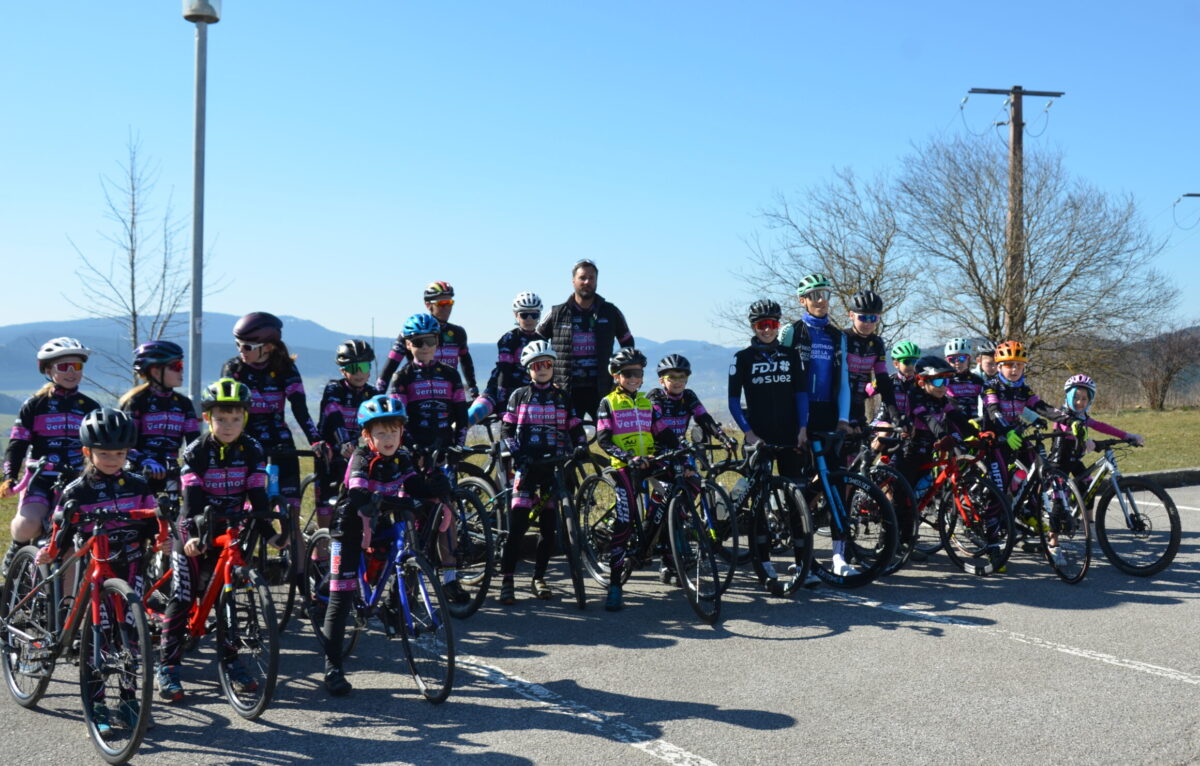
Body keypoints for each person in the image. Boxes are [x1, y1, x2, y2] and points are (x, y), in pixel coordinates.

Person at [36, 407, 158, 736]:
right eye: (104, 454)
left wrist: (162, 533)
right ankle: (98, 704)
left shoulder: (137, 483)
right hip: (96, 569)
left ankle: (130, 701)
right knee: (99, 639)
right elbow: (59, 525)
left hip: (131, 566)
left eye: (119, 453)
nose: (113, 459)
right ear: (87, 452)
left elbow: (154, 519)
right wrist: (51, 550)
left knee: (131, 638)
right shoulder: (78, 488)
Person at [320, 394, 448, 696]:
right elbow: (359, 496)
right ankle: (333, 668)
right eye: (381, 432)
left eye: (394, 431)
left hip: (381, 524)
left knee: (402, 556)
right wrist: (397, 501)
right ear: (367, 435)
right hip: (349, 527)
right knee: (340, 600)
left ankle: (393, 602)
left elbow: (416, 488)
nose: (389, 438)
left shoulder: (402, 457)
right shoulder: (362, 458)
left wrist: (437, 488)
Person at [156, 378, 267, 703]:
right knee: (185, 595)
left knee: (227, 598)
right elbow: (190, 502)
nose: (229, 425)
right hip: (194, 528)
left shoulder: (253, 449)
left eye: (235, 418)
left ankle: (232, 662)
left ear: (245, 417)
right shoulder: (196, 451)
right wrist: (191, 537)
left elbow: (258, 494)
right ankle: (169, 666)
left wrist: (273, 532)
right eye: (221, 418)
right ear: (208, 419)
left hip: (230, 531)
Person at [386, 312, 470, 603]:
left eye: (430, 341)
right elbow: (399, 420)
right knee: (413, 516)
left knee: (447, 514)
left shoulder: (450, 374)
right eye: (418, 342)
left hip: (442, 450)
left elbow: (461, 415)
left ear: (438, 343)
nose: (424, 347)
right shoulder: (403, 376)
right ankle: (409, 581)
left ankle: (450, 580)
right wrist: (412, 449)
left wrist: (458, 445)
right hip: (414, 453)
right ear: (408, 345)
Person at [727, 300, 811, 591]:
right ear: (753, 326)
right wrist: (748, 433)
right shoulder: (742, 358)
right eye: (761, 325)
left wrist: (802, 429)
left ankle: (803, 564)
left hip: (790, 436)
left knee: (796, 504)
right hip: (758, 437)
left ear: (779, 325)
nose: (767, 329)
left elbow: (801, 395)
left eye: (773, 324)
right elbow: (732, 402)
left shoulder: (791, 356)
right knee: (759, 504)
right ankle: (763, 564)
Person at [496, 340, 588, 605]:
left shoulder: (562, 396)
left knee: (549, 531)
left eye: (547, 363)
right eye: (537, 365)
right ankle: (508, 580)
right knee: (518, 526)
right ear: (529, 370)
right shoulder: (519, 396)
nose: (543, 369)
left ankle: (539, 578)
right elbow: (506, 430)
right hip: (526, 467)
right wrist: (517, 452)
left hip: (553, 467)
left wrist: (581, 445)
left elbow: (574, 425)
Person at [2, 337, 101, 574]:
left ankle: (64, 601)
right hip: (41, 477)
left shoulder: (90, 406)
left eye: (76, 366)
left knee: (70, 536)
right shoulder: (34, 405)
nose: (71, 372)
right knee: (29, 525)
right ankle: (17, 549)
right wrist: (9, 476)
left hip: (77, 478)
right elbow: (17, 444)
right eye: (63, 366)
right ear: (48, 370)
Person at [222, 311, 326, 537]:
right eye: (238, 344)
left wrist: (315, 440)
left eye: (247, 347)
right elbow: (227, 411)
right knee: (246, 514)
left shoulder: (285, 368)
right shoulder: (234, 369)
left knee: (291, 520)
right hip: (245, 440)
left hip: (279, 440)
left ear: (267, 347)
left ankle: (298, 570)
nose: (241, 351)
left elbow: (300, 409)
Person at [595, 348, 679, 612]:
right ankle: (615, 584)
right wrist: (627, 456)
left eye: (638, 373)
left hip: (650, 463)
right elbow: (604, 439)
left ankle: (664, 549)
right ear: (616, 376)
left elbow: (664, 433)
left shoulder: (646, 403)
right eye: (628, 374)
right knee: (625, 519)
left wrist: (683, 449)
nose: (634, 378)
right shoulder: (608, 402)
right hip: (623, 467)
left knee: (680, 489)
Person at [536, 259, 635, 421]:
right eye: (582, 278)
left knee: (610, 437)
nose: (587, 282)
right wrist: (548, 377)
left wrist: (619, 376)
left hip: (601, 388)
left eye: (592, 278)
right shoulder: (556, 313)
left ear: (597, 281)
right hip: (565, 388)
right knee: (568, 441)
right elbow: (536, 344)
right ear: (573, 280)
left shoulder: (611, 311)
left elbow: (628, 343)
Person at [119, 340, 200, 494]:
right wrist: (144, 460)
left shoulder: (184, 404)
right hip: (140, 473)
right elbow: (124, 445)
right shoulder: (136, 402)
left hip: (171, 474)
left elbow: (194, 443)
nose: (181, 371)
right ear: (155, 371)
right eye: (176, 367)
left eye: (181, 366)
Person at [315, 340, 380, 528]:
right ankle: (321, 550)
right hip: (331, 450)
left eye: (364, 366)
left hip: (354, 452)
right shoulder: (334, 388)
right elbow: (334, 417)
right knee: (326, 504)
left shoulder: (372, 393)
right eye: (353, 367)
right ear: (343, 370)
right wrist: (343, 443)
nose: (359, 373)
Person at [780, 273, 852, 436]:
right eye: (814, 295)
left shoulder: (838, 336)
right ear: (802, 300)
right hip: (797, 411)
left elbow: (843, 381)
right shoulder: (791, 331)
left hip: (828, 411)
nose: (821, 300)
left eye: (825, 294)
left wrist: (843, 419)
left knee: (830, 462)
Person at [377, 281, 478, 396]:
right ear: (428, 305)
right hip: (418, 394)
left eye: (450, 302)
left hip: (448, 395)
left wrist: (473, 389)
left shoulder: (458, 333)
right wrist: (377, 396)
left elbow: (466, 362)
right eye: (442, 303)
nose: (447, 307)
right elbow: (390, 366)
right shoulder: (412, 333)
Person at [1051, 374, 1144, 483]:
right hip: (1059, 462)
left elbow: (1101, 426)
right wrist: (1085, 440)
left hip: (1075, 461)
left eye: (1084, 398)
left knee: (1087, 485)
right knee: (1059, 493)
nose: (1079, 402)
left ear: (1090, 400)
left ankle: (1077, 499)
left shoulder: (1082, 416)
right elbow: (1067, 430)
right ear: (1068, 396)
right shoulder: (1062, 415)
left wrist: (1127, 435)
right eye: (1075, 397)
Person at [468, 291, 544, 426]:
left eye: (534, 314)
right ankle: (451, 440)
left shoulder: (542, 342)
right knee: (474, 413)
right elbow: (504, 372)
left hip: (525, 395)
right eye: (524, 314)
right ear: (516, 315)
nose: (529, 319)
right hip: (497, 390)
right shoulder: (508, 339)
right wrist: (503, 403)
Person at [648, 354, 734, 449]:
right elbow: (658, 425)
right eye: (672, 377)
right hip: (657, 452)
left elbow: (704, 418)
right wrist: (678, 445)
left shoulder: (688, 396)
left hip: (681, 450)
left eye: (682, 377)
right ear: (661, 381)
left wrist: (724, 438)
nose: (678, 381)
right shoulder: (656, 396)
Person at [842, 290, 899, 429]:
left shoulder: (877, 343)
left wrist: (895, 414)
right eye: (863, 318)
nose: (868, 323)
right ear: (851, 315)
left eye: (873, 318)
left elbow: (883, 380)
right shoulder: (842, 338)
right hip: (838, 407)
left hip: (859, 406)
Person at [943, 337, 986, 418]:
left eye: (962, 358)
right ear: (947, 361)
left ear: (969, 358)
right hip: (951, 425)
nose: (957, 362)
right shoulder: (944, 381)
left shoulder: (977, 381)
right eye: (952, 359)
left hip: (975, 424)